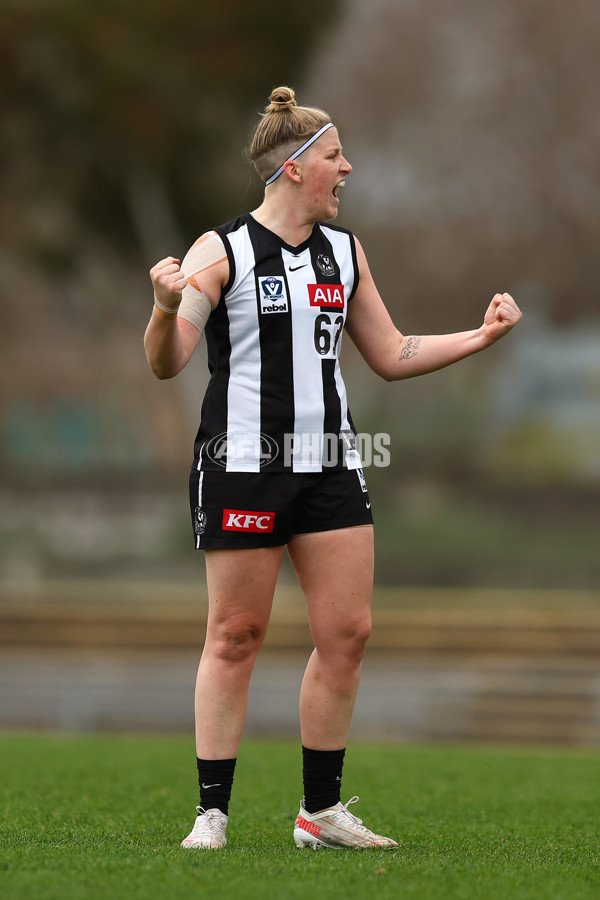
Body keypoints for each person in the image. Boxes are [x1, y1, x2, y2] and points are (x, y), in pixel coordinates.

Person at [144, 86, 522, 851]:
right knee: (237, 634)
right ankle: (211, 814)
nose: (346, 169)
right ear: (292, 169)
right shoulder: (222, 252)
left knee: (347, 632)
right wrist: (160, 307)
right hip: (244, 466)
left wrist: (478, 339)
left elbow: (391, 352)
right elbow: (168, 361)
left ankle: (319, 814)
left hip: (332, 466)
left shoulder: (344, 253)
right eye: (332, 157)